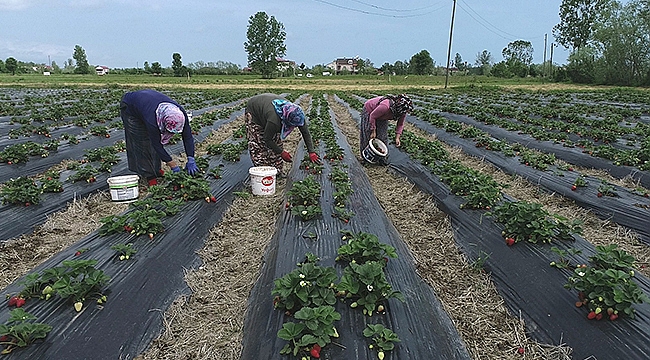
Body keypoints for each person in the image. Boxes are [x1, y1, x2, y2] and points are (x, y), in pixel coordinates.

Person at [120, 89, 198, 186]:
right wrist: (173, 166)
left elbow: (188, 137)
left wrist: (191, 158)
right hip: (130, 106)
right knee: (142, 142)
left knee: (152, 141)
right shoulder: (152, 121)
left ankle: (156, 169)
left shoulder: (181, 116)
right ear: (163, 123)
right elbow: (157, 145)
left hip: (146, 102)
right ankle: (149, 175)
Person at [244, 93, 319, 172]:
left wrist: (311, 152)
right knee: (259, 142)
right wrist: (281, 152)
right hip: (254, 110)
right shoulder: (274, 121)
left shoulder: (297, 114)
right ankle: (261, 171)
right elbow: (267, 139)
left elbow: (305, 133)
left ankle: (277, 170)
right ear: (286, 119)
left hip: (267, 108)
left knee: (276, 140)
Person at [359, 94, 414, 165]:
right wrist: (373, 131)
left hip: (382, 116)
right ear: (398, 108)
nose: (405, 113)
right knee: (368, 134)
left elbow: (400, 124)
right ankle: (365, 158)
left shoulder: (402, 111)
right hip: (370, 111)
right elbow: (372, 116)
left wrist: (397, 137)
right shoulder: (385, 106)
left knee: (383, 136)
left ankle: (381, 158)